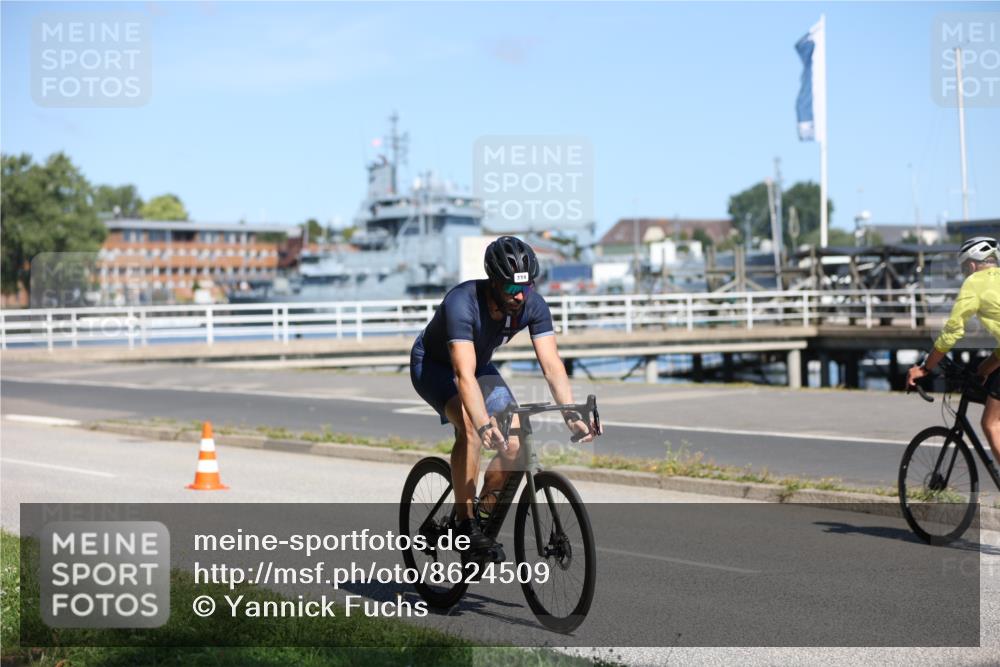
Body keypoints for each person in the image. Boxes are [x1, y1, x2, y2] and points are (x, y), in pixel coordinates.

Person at [410, 236, 599, 551]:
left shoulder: (532, 304)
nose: (520, 296)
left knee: (514, 442)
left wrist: (571, 416)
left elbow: (552, 365)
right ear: (494, 283)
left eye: (526, 288)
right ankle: (464, 522)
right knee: (470, 428)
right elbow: (463, 375)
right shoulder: (462, 303)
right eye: (512, 288)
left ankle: (483, 512)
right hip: (434, 367)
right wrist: (483, 422)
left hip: (479, 366)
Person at [907, 236, 1000, 464]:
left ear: (971, 265)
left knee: (991, 423)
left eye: (963, 269)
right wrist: (985, 367)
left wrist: (925, 368)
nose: (964, 274)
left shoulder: (974, 282)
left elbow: (952, 333)